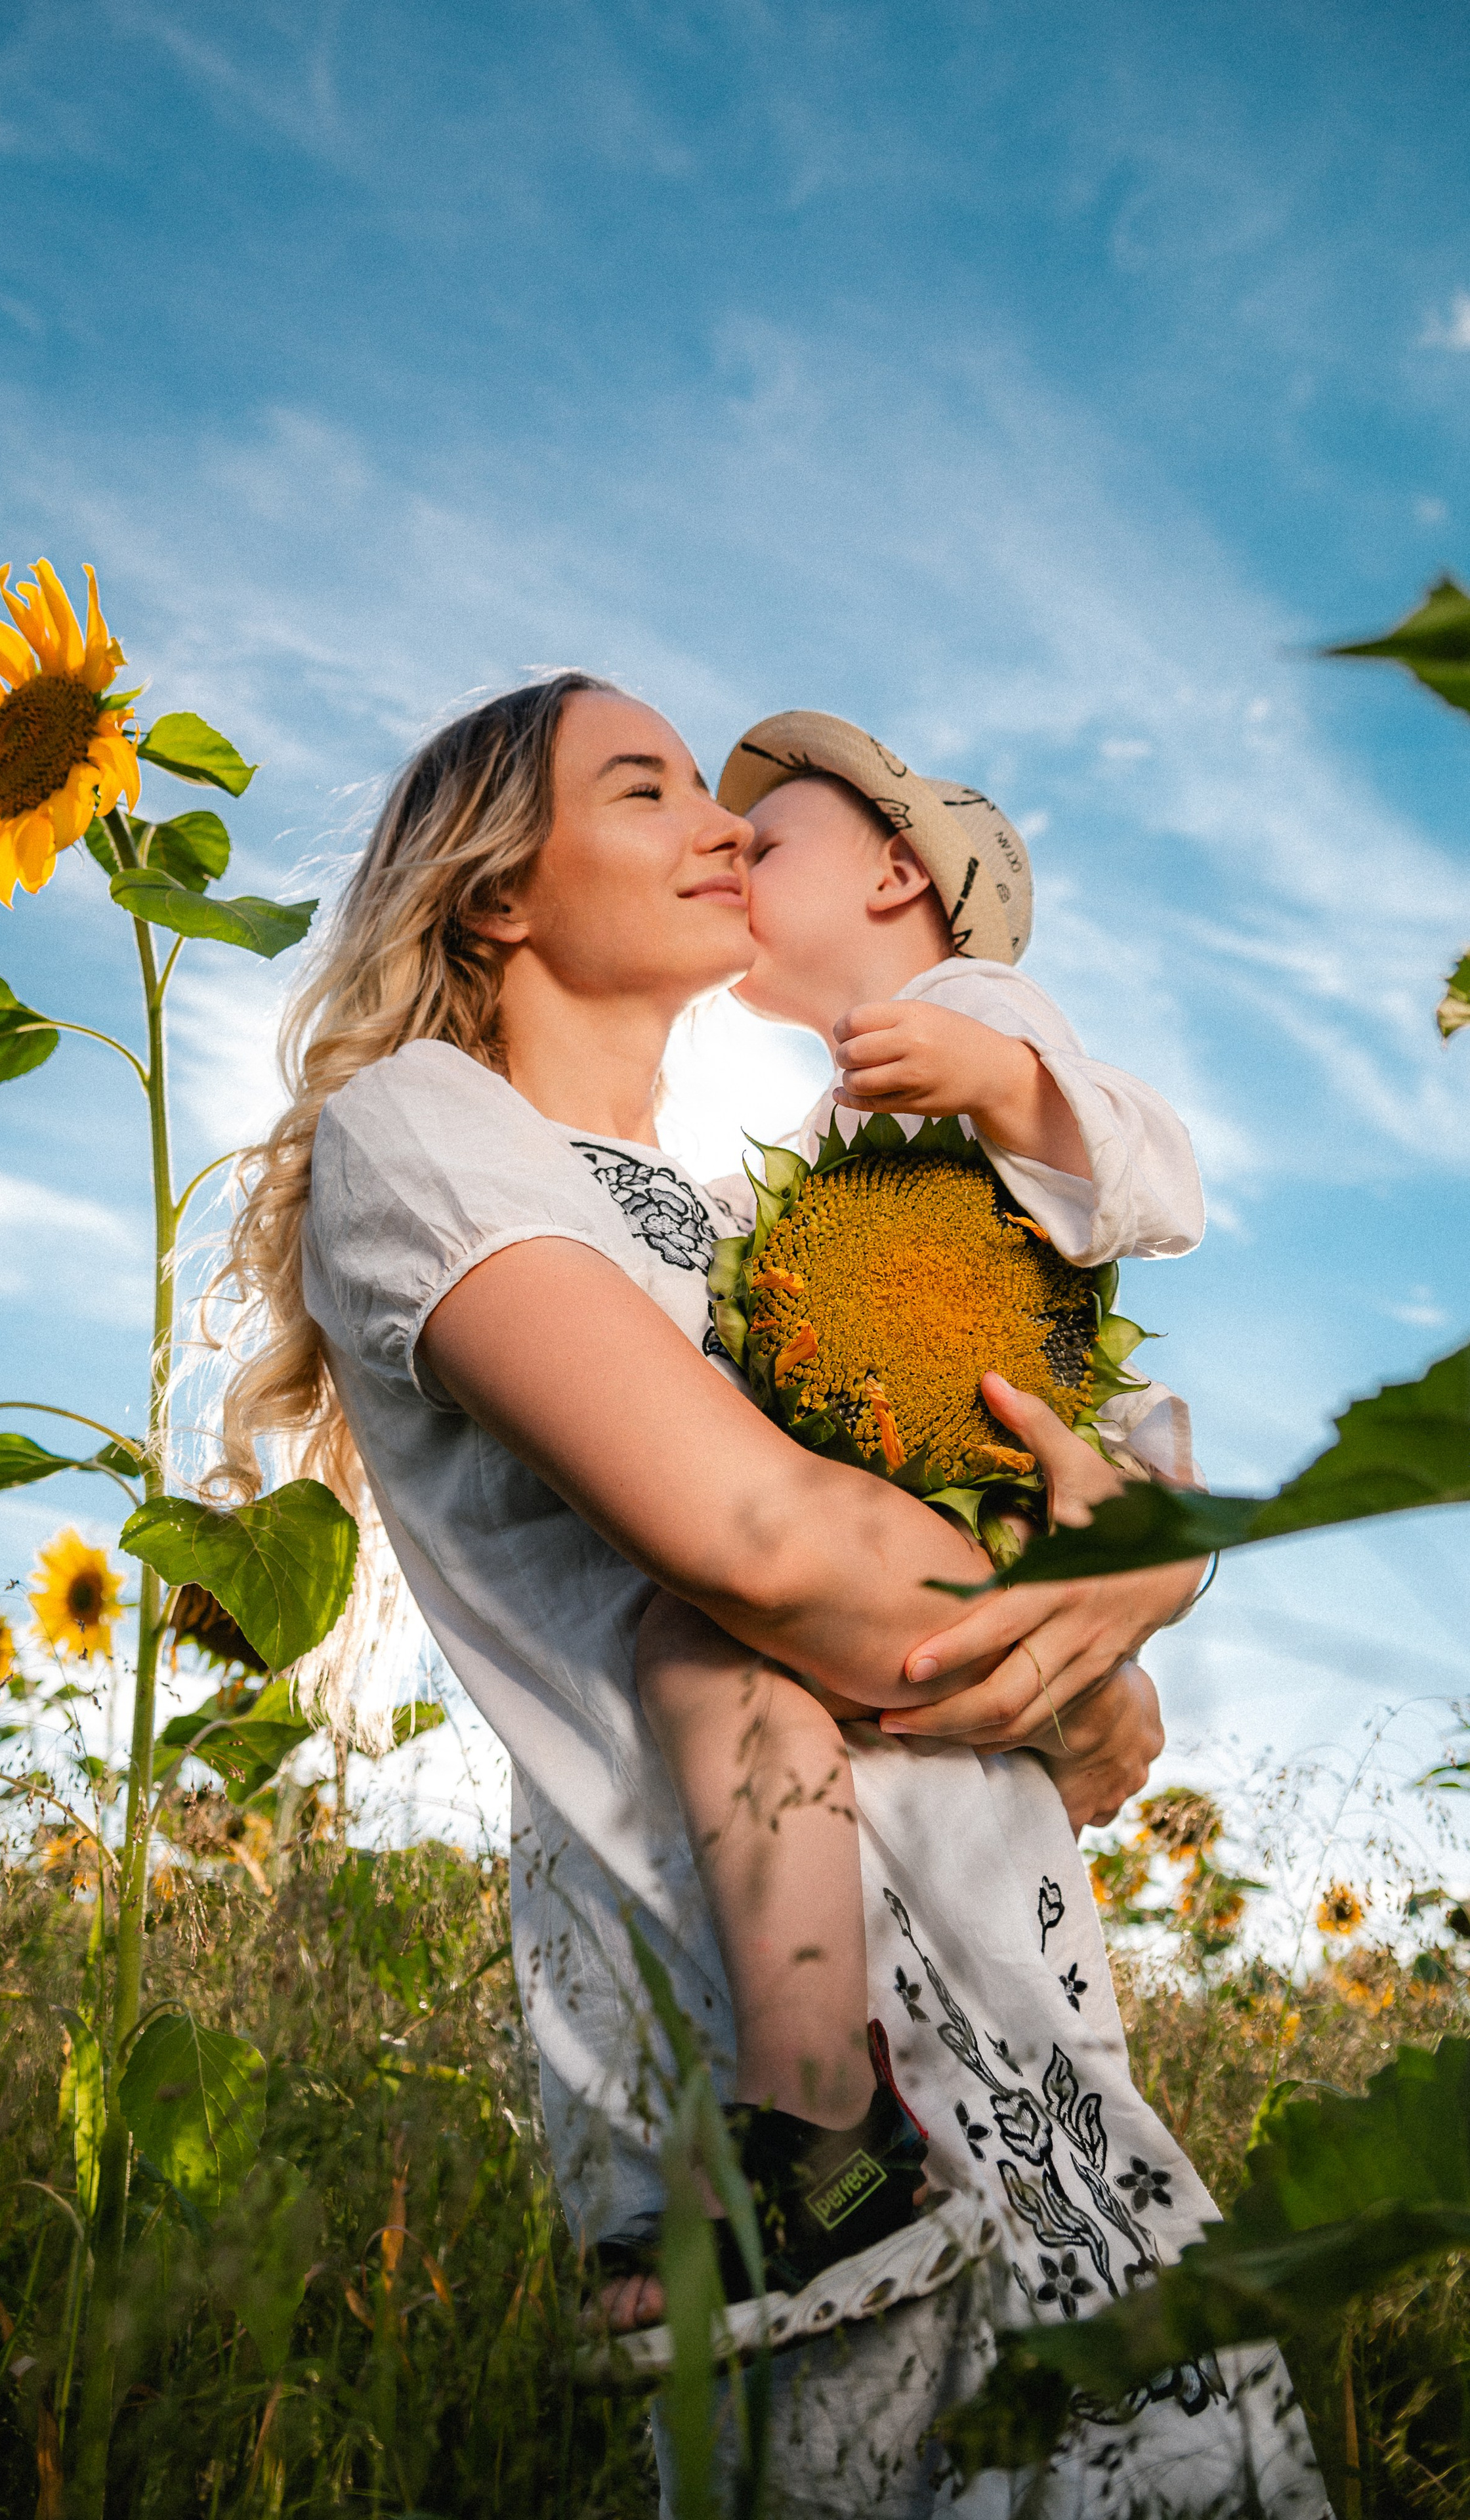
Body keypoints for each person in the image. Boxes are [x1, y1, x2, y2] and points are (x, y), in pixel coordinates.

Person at [211, 675, 1326, 2516]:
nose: (727, 830)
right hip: (793, 2146)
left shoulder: (755, 1217)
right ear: (496, 894)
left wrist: (1157, 1559)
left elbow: (1065, 1535)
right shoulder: (427, 1126)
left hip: (1050, 2065)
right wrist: (1086, 1619)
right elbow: (768, 1543)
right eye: (648, 790)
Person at [632, 711, 1207, 2305]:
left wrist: (1012, 1082)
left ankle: (819, 2099)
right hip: (926, 1497)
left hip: (1020, 1472)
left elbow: (1155, 1174)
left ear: (898, 874)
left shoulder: (963, 1009)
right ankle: (841, 2094)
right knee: (727, 1678)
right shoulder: (820, 1133)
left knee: (705, 1659)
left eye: (771, 841)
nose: (733, 858)